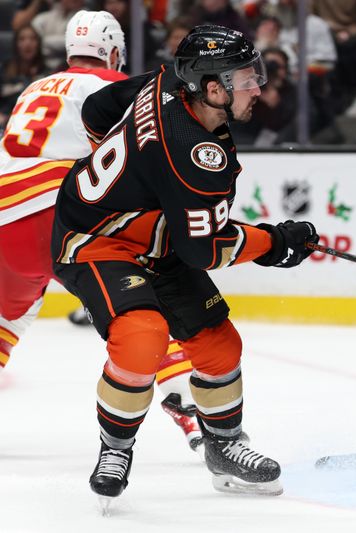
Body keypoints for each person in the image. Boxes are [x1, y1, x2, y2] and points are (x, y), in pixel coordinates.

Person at [50, 24, 319, 503]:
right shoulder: (197, 156)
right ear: (212, 88)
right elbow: (204, 250)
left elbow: (98, 109)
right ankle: (116, 447)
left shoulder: (167, 82)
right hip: (94, 241)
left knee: (220, 346)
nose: (257, 86)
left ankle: (224, 447)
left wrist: (132, 173)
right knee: (142, 337)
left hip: (157, 241)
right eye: (244, 79)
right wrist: (275, 244)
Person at [0, 10, 206, 453]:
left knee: (7, 320)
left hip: (5, 223)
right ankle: (197, 416)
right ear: (113, 51)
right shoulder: (113, 85)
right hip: (60, 216)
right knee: (139, 307)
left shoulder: (34, 87)